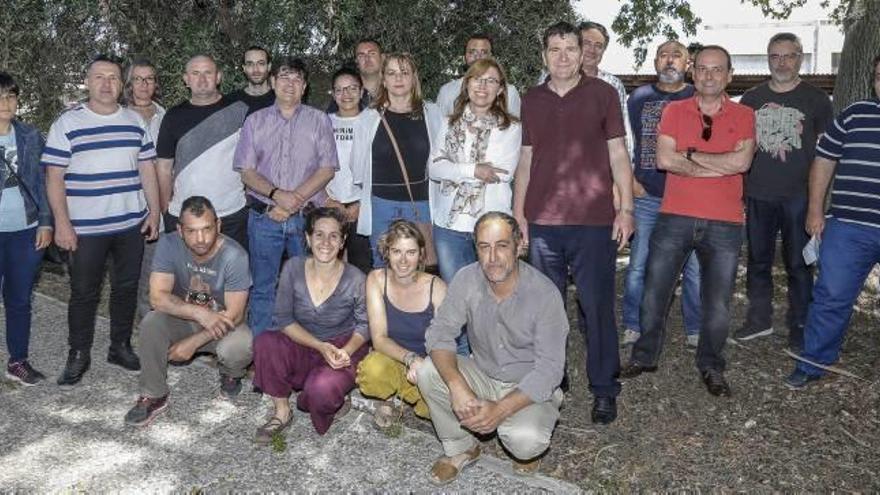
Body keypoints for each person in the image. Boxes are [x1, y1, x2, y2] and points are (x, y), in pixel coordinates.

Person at [513, 21, 634, 424]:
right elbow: (526, 160)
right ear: (544, 55)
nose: (562, 57)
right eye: (554, 49)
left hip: (593, 221)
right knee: (547, 310)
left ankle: (604, 388)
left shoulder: (603, 95)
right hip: (544, 222)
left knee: (596, 307)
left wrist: (627, 209)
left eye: (570, 48)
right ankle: (552, 382)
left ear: (582, 53)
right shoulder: (531, 99)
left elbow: (619, 155)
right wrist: (519, 215)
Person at [621, 45, 756, 397]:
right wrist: (719, 162)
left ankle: (711, 364)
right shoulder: (674, 111)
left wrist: (692, 156)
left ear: (729, 75)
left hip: (725, 222)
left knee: (718, 302)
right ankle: (645, 355)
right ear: (693, 72)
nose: (709, 75)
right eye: (703, 69)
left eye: (718, 69)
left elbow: (742, 164)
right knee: (654, 291)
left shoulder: (744, 115)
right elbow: (666, 159)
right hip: (674, 215)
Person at [417, 212, 568, 483]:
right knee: (430, 371)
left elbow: (549, 370)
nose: (493, 257)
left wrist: (500, 409)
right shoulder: (466, 279)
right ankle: (462, 448)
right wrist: (457, 387)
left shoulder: (545, 295)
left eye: (502, 245)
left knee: (525, 441)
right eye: (484, 247)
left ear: (519, 245)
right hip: (483, 372)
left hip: (526, 385)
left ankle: (522, 434)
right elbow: (439, 333)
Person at [43, 55, 161, 386]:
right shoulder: (68, 123)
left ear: (121, 84)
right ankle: (78, 354)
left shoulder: (135, 122)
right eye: (99, 77)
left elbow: (147, 169)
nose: (106, 83)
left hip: (130, 226)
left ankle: (119, 347)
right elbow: (54, 176)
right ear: (87, 82)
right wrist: (62, 224)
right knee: (84, 292)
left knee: (125, 288)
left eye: (113, 77)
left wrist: (154, 212)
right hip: (85, 229)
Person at [784, 54, 880, 389]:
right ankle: (813, 362)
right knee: (830, 296)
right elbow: (824, 160)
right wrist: (815, 209)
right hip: (848, 227)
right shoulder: (855, 114)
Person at [735, 33, 834, 351]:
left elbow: (827, 153)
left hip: (799, 195)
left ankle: (800, 322)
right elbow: (741, 147)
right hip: (759, 193)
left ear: (800, 58)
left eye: (788, 56)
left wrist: (819, 201)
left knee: (798, 263)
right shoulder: (751, 98)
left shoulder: (817, 99)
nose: (782, 62)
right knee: (758, 260)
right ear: (768, 59)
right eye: (775, 56)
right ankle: (759, 319)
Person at [123, 196, 253, 426]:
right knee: (152, 322)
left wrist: (192, 343)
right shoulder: (169, 244)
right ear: (180, 230)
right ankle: (154, 394)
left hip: (225, 325)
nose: (201, 239)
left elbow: (235, 314)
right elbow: (157, 297)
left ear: (219, 226)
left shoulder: (235, 255)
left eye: (207, 229)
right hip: (187, 319)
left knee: (240, 345)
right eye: (192, 231)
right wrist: (201, 314)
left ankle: (230, 373)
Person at [233, 56, 338, 337]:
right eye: (284, 78)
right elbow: (246, 171)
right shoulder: (255, 122)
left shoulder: (319, 121)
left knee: (309, 288)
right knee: (263, 287)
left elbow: (327, 168)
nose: (290, 84)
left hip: (307, 221)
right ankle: (262, 356)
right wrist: (278, 196)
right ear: (272, 82)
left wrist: (294, 201)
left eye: (296, 79)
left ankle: (305, 356)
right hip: (264, 218)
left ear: (304, 86)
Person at [252, 207, 369, 439]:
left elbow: (366, 325)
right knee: (265, 342)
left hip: (341, 345)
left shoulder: (356, 278)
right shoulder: (293, 268)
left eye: (334, 235)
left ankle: (316, 398)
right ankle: (282, 411)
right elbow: (283, 319)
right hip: (303, 341)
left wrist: (344, 352)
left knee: (321, 390)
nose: (326, 242)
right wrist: (319, 346)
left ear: (343, 240)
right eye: (319, 234)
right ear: (308, 237)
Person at [621, 40, 701, 348]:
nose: (669, 61)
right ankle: (633, 323)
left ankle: (695, 328)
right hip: (647, 197)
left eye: (676, 56)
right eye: (663, 55)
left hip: (690, 198)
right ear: (655, 62)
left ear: (688, 64)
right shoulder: (638, 98)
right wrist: (630, 182)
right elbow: (623, 145)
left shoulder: (698, 96)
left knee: (694, 267)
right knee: (639, 265)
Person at [429, 58, 521, 285]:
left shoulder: (511, 128)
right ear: (467, 84)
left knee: (492, 295)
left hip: (492, 225)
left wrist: (454, 168)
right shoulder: (448, 123)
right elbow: (434, 168)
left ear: (500, 89)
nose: (482, 86)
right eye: (477, 79)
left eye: (491, 81)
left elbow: (502, 173)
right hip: (449, 225)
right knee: (457, 297)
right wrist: (474, 169)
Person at [350, 52, 443, 266]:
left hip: (420, 204)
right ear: (383, 79)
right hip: (380, 204)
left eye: (404, 72)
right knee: (382, 266)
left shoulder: (433, 114)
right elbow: (357, 165)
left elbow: (442, 159)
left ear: (414, 77)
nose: (398, 79)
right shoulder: (368, 117)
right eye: (391, 73)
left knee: (419, 265)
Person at [356, 220, 446, 427]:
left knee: (434, 409)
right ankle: (389, 397)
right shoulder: (377, 279)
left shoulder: (437, 287)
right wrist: (410, 359)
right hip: (393, 357)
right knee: (372, 371)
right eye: (397, 251)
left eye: (411, 252)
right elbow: (378, 339)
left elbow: (443, 342)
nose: (403, 260)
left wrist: (425, 369)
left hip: (427, 364)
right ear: (386, 252)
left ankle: (404, 395)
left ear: (422, 253)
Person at [155, 54, 249, 250]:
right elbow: (164, 167)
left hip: (231, 212)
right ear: (186, 79)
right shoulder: (173, 116)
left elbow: (254, 161)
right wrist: (166, 207)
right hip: (186, 215)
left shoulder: (240, 111)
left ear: (218, 77)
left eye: (208, 72)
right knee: (188, 279)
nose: (202, 79)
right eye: (195, 73)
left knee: (232, 276)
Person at [0, 72, 52, 385]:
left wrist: (46, 222)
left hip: (25, 229)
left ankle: (18, 360)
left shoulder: (32, 136)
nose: (5, 103)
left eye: (10, 96)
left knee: (19, 300)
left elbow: (44, 184)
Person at [123, 58, 168, 321]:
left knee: (152, 270)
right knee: (126, 269)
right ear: (129, 84)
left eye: (149, 78)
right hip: (124, 205)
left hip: (157, 207)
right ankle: (122, 326)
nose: (143, 84)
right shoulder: (118, 115)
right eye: (138, 79)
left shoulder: (167, 117)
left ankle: (146, 323)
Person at [325, 66, 373, 274]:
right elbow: (311, 166)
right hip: (329, 204)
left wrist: (361, 202)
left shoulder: (373, 121)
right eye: (339, 90)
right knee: (328, 266)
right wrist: (327, 200)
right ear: (333, 94)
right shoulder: (323, 123)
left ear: (362, 91)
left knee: (361, 268)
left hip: (363, 206)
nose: (346, 95)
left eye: (352, 88)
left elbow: (380, 166)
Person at [578, 21, 632, 157]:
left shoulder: (613, 84)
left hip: (602, 168)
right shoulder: (552, 80)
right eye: (587, 43)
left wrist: (626, 173)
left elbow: (623, 131)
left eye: (598, 46)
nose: (592, 50)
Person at [435, 34, 521, 117]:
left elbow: (515, 126)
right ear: (465, 56)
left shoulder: (509, 92)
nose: (478, 57)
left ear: (491, 57)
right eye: (472, 52)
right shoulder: (447, 91)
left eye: (484, 52)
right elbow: (439, 129)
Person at [327, 38, 383, 114]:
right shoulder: (346, 95)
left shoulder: (395, 88)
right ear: (356, 61)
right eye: (361, 55)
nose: (367, 59)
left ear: (382, 57)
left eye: (372, 53)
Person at [227, 45, 275, 115]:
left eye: (261, 63)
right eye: (250, 64)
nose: (255, 70)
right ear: (244, 68)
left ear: (269, 67)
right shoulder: (231, 101)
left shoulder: (280, 100)